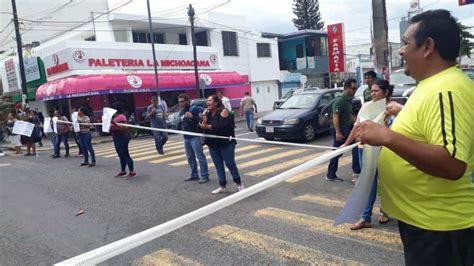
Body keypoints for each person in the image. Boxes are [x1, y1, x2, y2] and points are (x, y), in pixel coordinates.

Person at [355, 10, 474, 265]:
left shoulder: (447, 89)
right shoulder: (430, 85)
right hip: (424, 222)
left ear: (428, 46)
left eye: (407, 43)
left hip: (440, 229)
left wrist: (387, 137)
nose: (401, 51)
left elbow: (452, 163)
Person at [340, 79, 395, 230]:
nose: (373, 94)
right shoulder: (365, 106)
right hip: (363, 150)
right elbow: (357, 127)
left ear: (386, 92)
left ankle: (386, 211)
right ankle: (366, 218)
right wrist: (346, 143)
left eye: (376, 91)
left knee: (385, 183)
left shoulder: (391, 109)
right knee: (368, 184)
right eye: (371, 91)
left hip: (383, 152)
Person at [200, 95, 244, 194]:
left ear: (216, 102)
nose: (208, 102)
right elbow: (201, 126)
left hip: (226, 143)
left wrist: (207, 126)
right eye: (207, 101)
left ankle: (239, 184)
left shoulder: (223, 111)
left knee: (230, 163)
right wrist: (203, 123)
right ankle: (222, 185)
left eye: (210, 100)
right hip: (213, 143)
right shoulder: (207, 112)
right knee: (218, 165)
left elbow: (221, 127)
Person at [325, 78, 360, 182]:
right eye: (353, 88)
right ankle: (357, 170)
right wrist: (338, 132)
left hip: (344, 128)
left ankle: (330, 174)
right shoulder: (339, 100)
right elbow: (335, 116)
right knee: (356, 142)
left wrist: (356, 122)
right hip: (339, 128)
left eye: (355, 88)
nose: (354, 91)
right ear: (346, 88)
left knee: (337, 152)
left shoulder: (348, 100)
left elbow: (349, 114)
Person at [178, 94, 209, 183]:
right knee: (190, 157)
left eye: (182, 101)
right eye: (179, 102)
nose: (181, 104)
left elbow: (203, 120)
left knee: (200, 156)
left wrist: (193, 117)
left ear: (188, 101)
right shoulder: (182, 111)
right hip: (186, 137)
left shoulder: (195, 109)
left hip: (195, 136)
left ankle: (204, 175)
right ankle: (194, 174)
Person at [110, 102, 135, 178]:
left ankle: (132, 171)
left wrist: (114, 123)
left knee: (125, 154)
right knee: (121, 155)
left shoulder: (121, 117)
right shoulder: (115, 117)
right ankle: (123, 171)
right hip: (116, 137)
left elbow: (123, 128)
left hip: (122, 137)